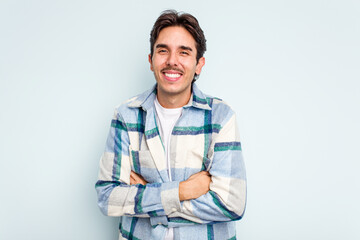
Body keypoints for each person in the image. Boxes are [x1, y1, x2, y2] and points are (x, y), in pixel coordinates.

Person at [95, 10, 246, 240]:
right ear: (151, 60)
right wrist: (183, 191)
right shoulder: (126, 115)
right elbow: (107, 197)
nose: (172, 61)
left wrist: (148, 195)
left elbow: (231, 204)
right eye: (163, 50)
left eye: (184, 52)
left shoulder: (220, 117)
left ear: (199, 64)